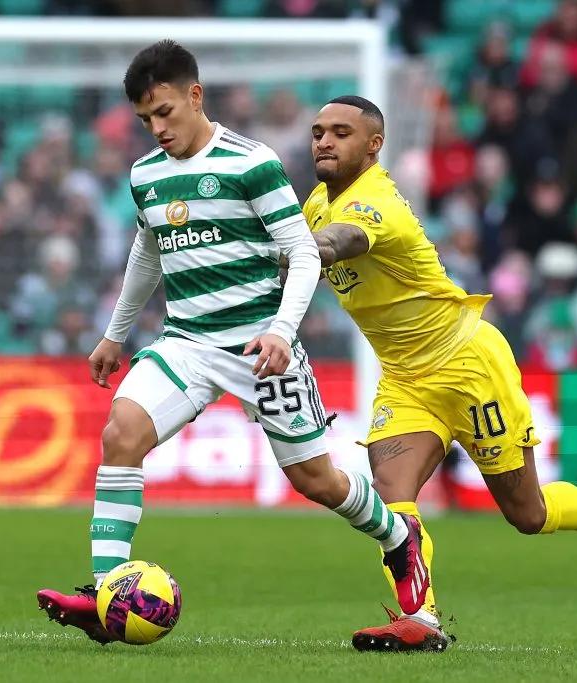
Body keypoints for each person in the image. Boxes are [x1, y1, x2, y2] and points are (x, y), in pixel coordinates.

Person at [36, 41, 428, 644]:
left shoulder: (252, 163)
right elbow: (147, 249)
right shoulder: (145, 174)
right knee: (120, 434)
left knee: (317, 481)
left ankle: (399, 540)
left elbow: (301, 253)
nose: (157, 128)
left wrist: (280, 330)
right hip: (185, 343)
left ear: (195, 95)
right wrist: (115, 334)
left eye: (165, 112)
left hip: (259, 347)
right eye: (145, 119)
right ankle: (107, 592)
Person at [301, 95, 577, 653]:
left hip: (467, 366)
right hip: (405, 378)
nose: (323, 141)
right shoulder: (317, 202)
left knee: (527, 513)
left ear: (373, 144)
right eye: (318, 131)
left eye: (340, 132)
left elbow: (336, 244)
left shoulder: (379, 205)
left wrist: (295, 250)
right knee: (393, 499)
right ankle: (423, 618)